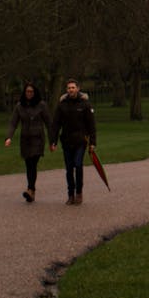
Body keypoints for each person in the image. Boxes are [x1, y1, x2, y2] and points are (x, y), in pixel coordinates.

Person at [50, 78, 97, 206]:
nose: (71, 90)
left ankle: (79, 193)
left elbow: (91, 125)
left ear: (78, 88)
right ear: (67, 90)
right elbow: (55, 124)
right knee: (69, 168)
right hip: (66, 141)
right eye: (69, 88)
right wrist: (53, 141)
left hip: (81, 141)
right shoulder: (62, 105)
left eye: (73, 87)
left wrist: (93, 143)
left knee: (78, 164)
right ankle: (70, 195)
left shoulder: (85, 104)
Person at [4, 82, 52, 203]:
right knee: (28, 164)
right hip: (25, 140)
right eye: (27, 91)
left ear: (35, 93)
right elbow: (13, 123)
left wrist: (53, 141)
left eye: (31, 92)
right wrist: (9, 137)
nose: (29, 93)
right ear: (24, 93)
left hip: (38, 139)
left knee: (32, 163)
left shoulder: (42, 105)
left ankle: (30, 189)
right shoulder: (20, 106)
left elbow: (49, 124)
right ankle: (32, 191)